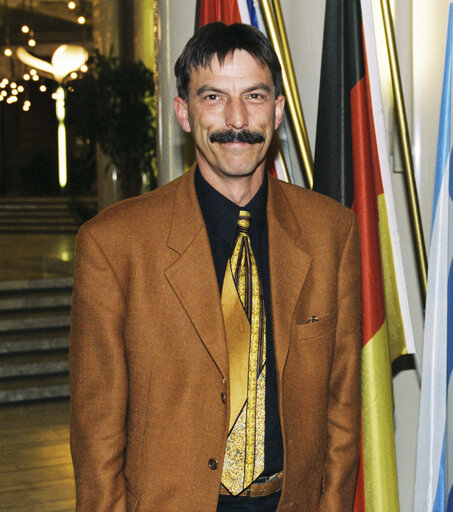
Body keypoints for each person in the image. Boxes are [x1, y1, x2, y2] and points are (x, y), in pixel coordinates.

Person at [69, 22, 361, 512]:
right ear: (184, 113)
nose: (236, 118)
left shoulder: (331, 231)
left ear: (278, 110)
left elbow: (342, 407)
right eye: (212, 97)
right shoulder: (113, 244)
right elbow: (96, 431)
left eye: (253, 95)